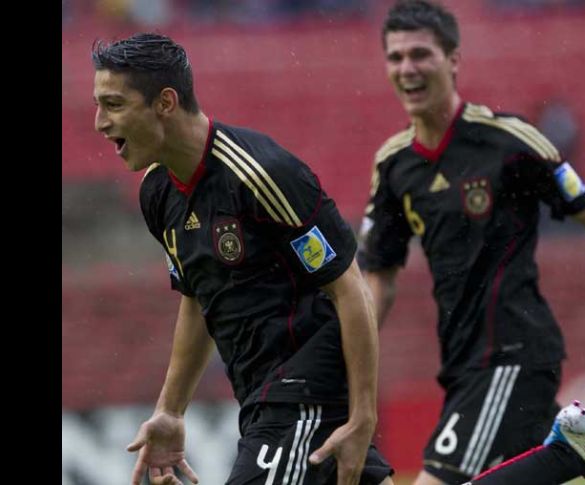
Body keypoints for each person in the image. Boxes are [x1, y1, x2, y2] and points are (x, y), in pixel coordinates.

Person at [357, 2, 585, 485]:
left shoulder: (510, 142)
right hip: (462, 361)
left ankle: (575, 452)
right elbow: (380, 279)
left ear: (453, 59)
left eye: (421, 54)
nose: (407, 69)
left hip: (510, 352)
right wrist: (349, 363)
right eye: (395, 58)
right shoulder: (394, 165)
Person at [92, 33, 393, 485]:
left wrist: (363, 415)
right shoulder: (158, 192)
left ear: (166, 102)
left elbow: (350, 287)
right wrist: (170, 411)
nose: (99, 122)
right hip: (257, 398)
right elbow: (198, 297)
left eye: (113, 105)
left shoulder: (260, 174)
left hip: (301, 390)